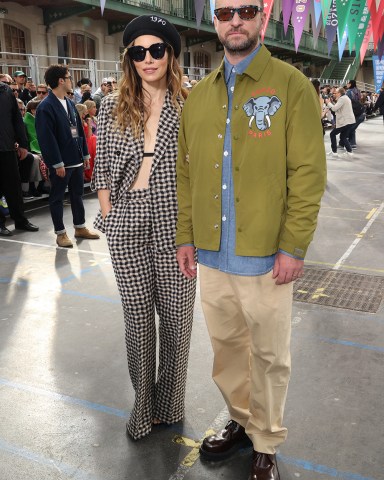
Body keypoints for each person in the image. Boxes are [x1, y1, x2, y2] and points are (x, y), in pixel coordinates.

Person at [175, 2, 326, 479]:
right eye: (224, 12)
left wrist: (293, 245)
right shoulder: (198, 98)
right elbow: (185, 175)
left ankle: (267, 439)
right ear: (214, 22)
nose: (233, 20)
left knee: (269, 355)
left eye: (244, 10)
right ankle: (242, 421)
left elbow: (307, 173)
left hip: (265, 256)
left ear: (261, 17)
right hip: (213, 256)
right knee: (228, 351)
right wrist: (185, 237)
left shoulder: (291, 86)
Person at [91, 14, 196, 441]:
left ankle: (170, 404)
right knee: (137, 320)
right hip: (127, 219)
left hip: (175, 222)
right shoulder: (112, 105)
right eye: (139, 51)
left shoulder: (190, 105)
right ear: (128, 58)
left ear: (170, 54)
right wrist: (109, 210)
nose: (148, 58)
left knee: (177, 319)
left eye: (157, 50)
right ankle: (143, 405)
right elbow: (101, 168)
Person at [35, 64, 100, 248]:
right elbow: (46, 138)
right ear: (61, 81)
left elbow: (78, 130)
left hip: (76, 159)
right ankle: (60, 233)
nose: (72, 80)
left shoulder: (70, 103)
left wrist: (85, 153)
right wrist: (56, 163)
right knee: (57, 197)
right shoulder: (45, 107)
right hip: (61, 163)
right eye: (69, 77)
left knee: (77, 195)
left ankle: (80, 227)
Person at [0, 78, 39, 234]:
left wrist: (22, 143)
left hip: (7, 148)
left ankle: (20, 220)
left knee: (14, 187)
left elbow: (16, 118)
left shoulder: (5, 90)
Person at [325, 87, 355, 157]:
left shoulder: (342, 99)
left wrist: (328, 103)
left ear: (339, 93)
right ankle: (349, 151)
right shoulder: (345, 98)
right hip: (349, 120)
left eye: (336, 93)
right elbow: (338, 107)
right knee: (343, 136)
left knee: (332, 134)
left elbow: (335, 108)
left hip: (344, 121)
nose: (335, 94)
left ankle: (334, 152)